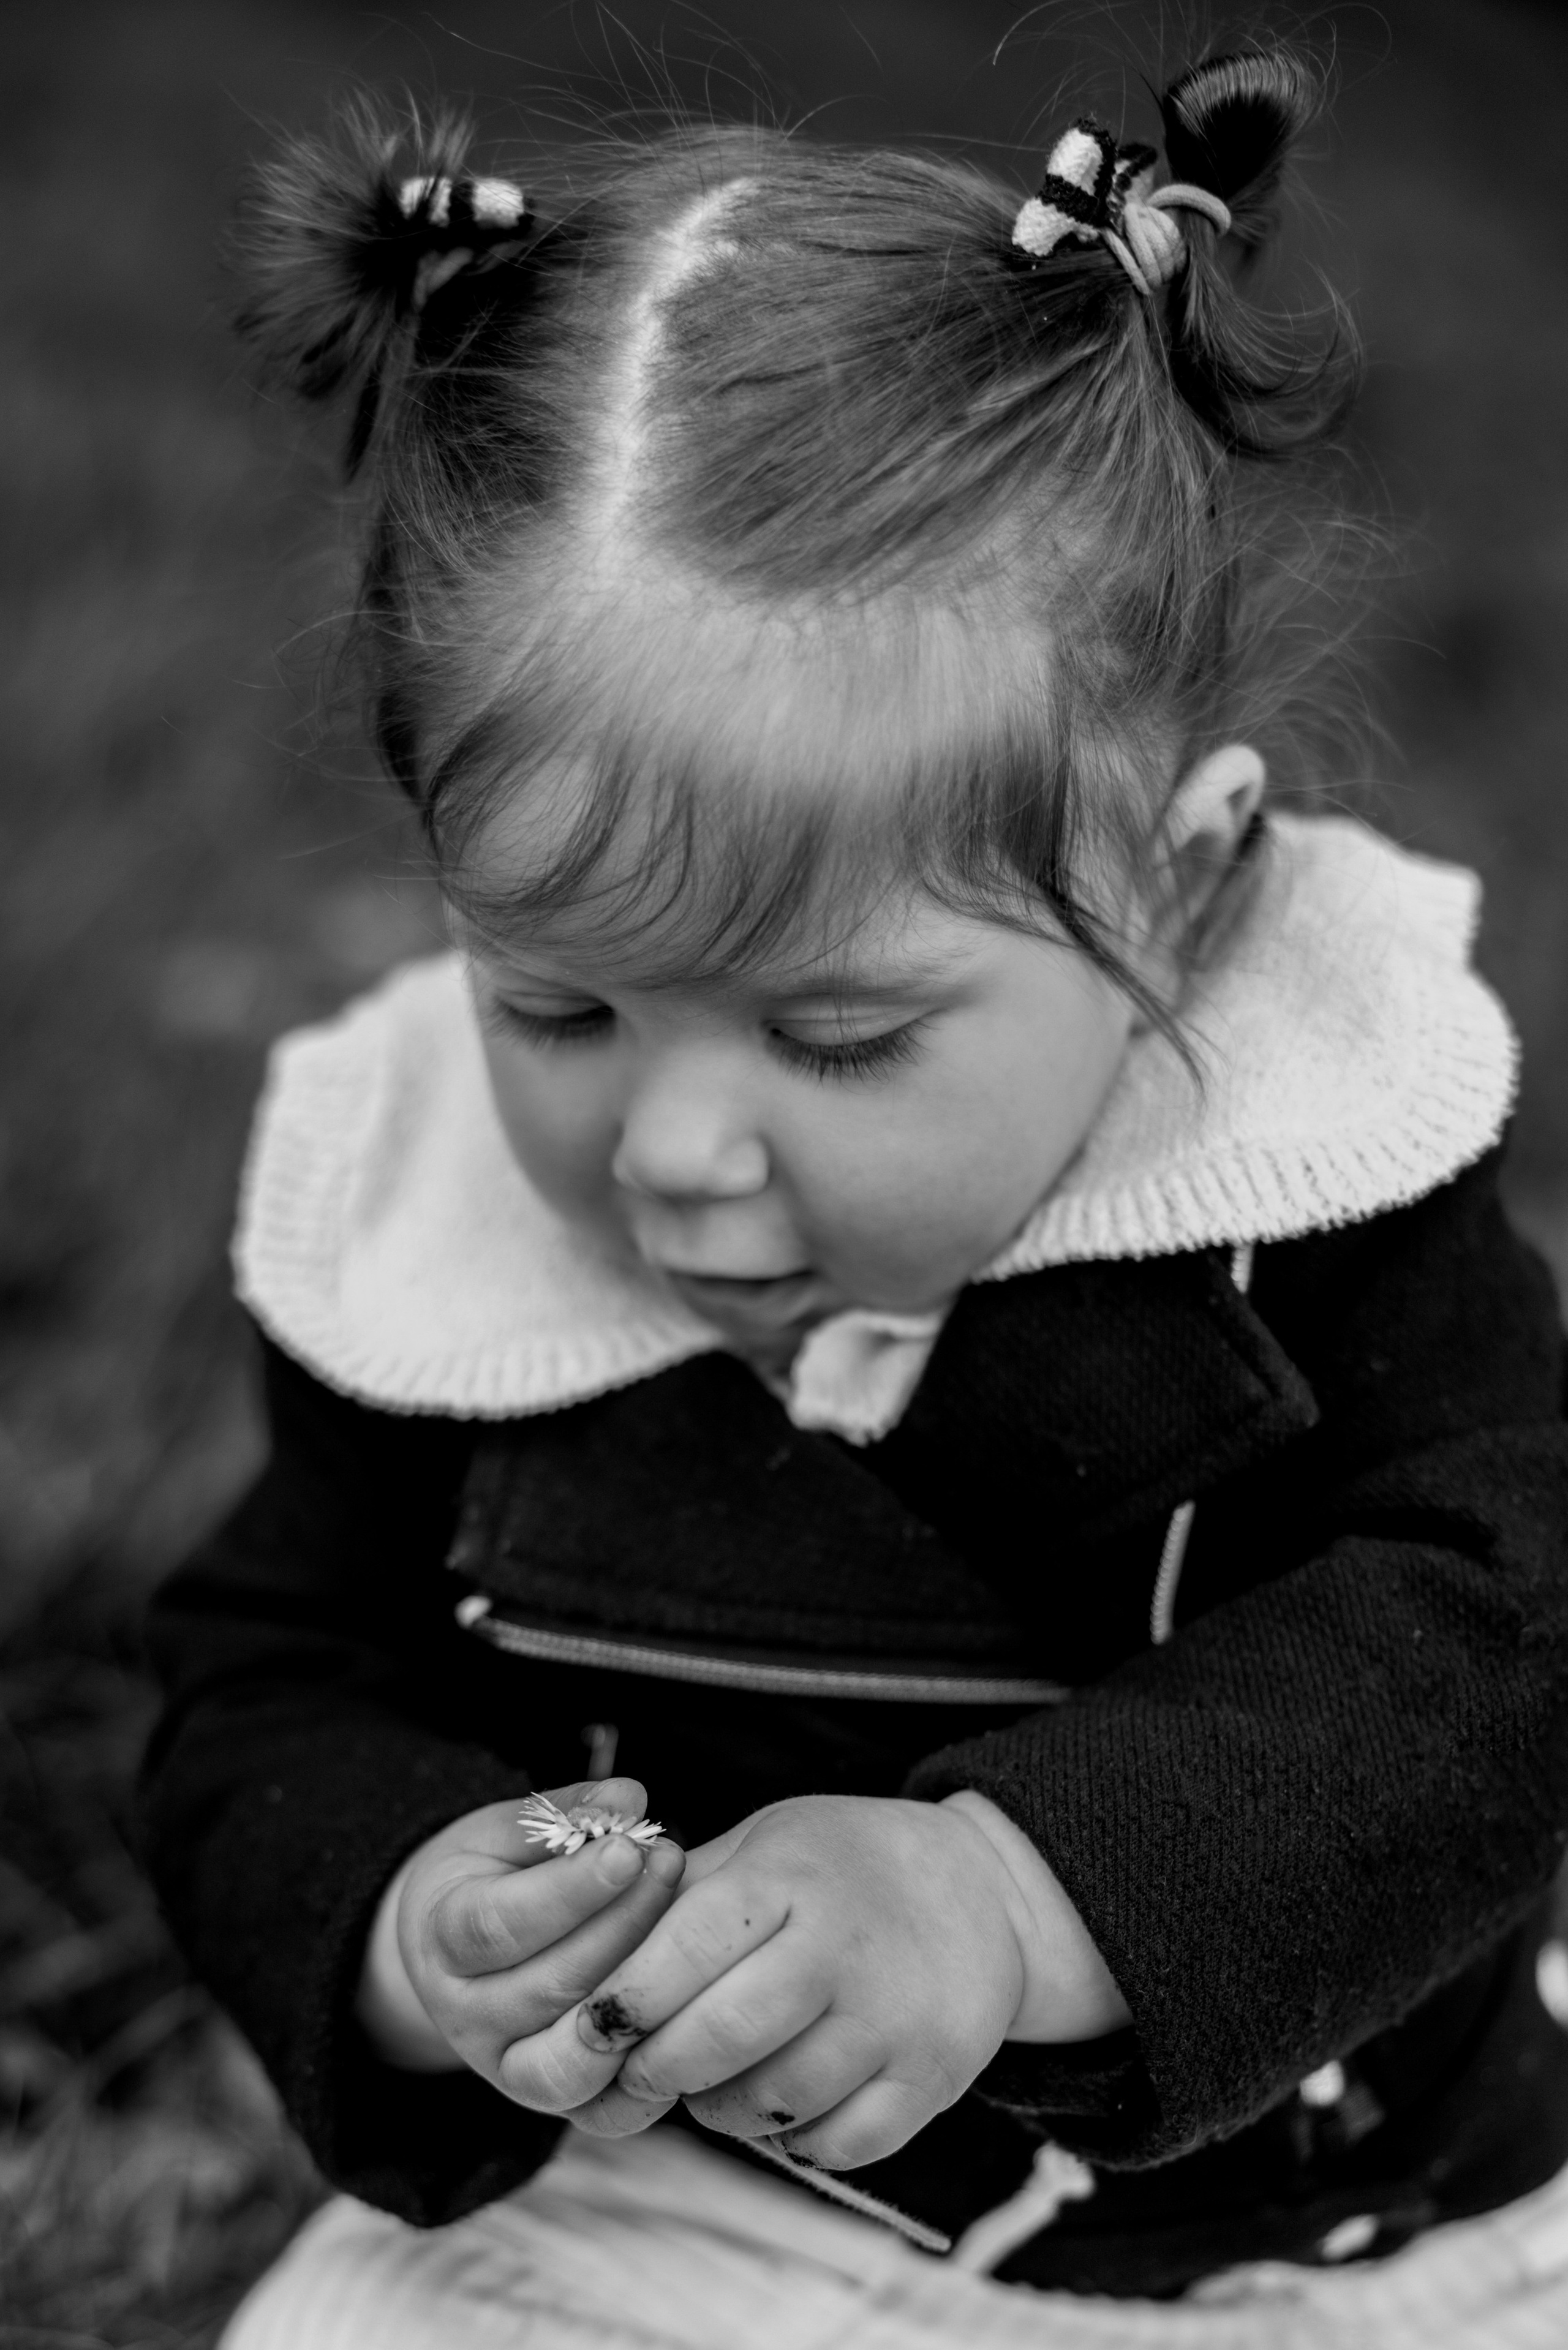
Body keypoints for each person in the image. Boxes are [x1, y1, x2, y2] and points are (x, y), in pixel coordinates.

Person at [141, 42, 1568, 2349]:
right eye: (561, 1012)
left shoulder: (1303, 1185)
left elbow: (1504, 1636)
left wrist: (1014, 1901)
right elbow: (264, 1680)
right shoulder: (429, 1243)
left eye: (838, 1039)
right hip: (657, 2215)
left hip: (1301, 2241)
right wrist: (404, 1919)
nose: (676, 1150)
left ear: (1180, 889)